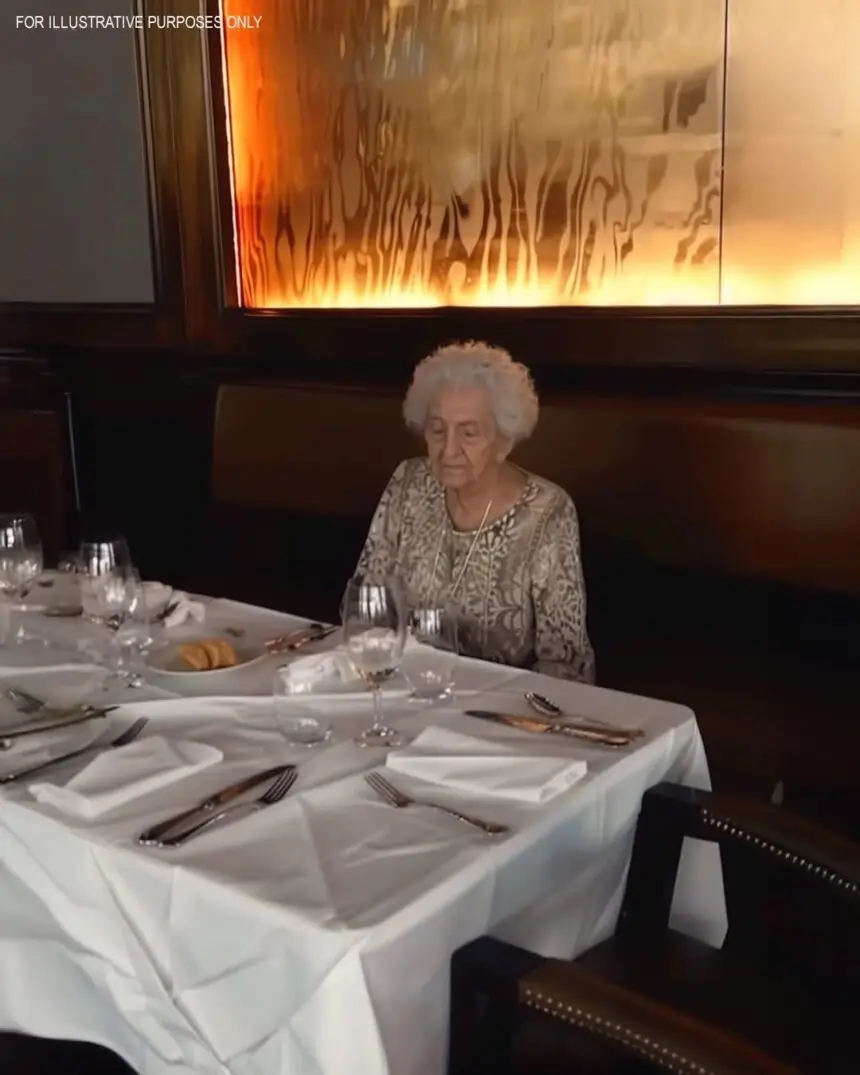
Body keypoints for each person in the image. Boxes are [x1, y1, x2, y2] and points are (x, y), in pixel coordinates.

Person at [356, 341, 595, 682]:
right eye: (438, 430)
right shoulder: (408, 483)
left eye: (469, 433)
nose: (449, 449)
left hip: (500, 702)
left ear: (504, 442)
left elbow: (566, 663)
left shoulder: (547, 513)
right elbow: (367, 607)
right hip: (407, 687)